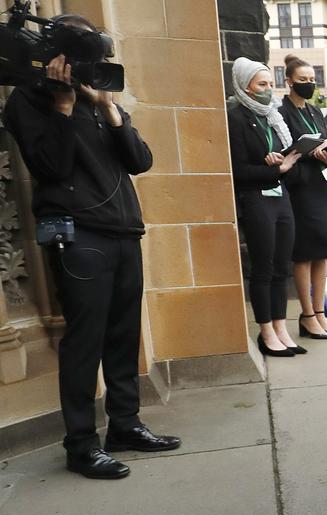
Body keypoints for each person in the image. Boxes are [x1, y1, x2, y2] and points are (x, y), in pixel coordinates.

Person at [3, 17, 181, 479]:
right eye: (88, 59)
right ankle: (81, 444)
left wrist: (111, 109)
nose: (95, 68)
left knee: (123, 337)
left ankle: (124, 425)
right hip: (79, 237)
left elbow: (140, 161)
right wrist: (62, 107)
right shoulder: (29, 101)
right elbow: (51, 167)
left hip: (123, 233)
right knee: (84, 344)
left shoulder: (99, 102)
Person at [227, 57, 304, 357]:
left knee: (281, 267)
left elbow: (289, 168)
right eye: (262, 84)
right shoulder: (235, 117)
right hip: (257, 199)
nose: (268, 90)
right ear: (245, 85)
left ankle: (280, 326)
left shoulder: (273, 116)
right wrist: (274, 168)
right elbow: (238, 170)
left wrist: (287, 164)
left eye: (271, 84)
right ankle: (266, 331)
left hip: (280, 198)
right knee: (263, 268)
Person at [278, 54, 327, 340]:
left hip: (321, 185)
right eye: (303, 80)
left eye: (312, 80)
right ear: (289, 81)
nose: (308, 84)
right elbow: (284, 150)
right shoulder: (281, 112)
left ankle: (319, 313)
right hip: (300, 189)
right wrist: (306, 151)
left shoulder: (316, 112)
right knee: (304, 253)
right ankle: (306, 315)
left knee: (323, 251)